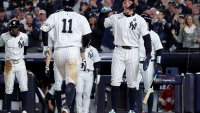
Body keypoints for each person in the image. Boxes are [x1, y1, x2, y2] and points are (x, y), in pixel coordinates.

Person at [40, 0, 92, 113]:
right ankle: (67, 107)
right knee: (71, 82)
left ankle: (64, 106)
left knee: (64, 81)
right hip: (73, 51)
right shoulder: (80, 17)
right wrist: (83, 49)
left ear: (62, 4)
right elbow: (87, 36)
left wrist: (45, 49)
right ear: (74, 4)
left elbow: (44, 30)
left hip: (58, 52)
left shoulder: (55, 16)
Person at [104, 0, 152, 113]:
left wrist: (148, 54)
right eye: (124, 2)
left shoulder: (140, 20)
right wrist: (102, 13)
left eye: (128, 2)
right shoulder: (116, 17)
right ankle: (113, 110)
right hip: (118, 50)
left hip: (133, 51)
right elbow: (103, 23)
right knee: (115, 81)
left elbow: (147, 38)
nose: (125, 4)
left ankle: (132, 109)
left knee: (132, 83)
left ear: (133, 6)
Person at [135, 13, 163, 113]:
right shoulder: (135, 34)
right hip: (135, 62)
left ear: (149, 23)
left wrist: (158, 65)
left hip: (149, 63)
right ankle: (138, 110)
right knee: (134, 86)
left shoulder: (153, 35)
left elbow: (159, 50)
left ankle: (150, 111)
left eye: (145, 22)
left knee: (148, 90)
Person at [0, 19, 29, 113]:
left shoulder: (24, 36)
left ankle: (24, 110)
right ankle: (8, 111)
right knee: (9, 88)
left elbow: (25, 49)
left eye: (15, 27)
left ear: (19, 27)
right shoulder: (4, 36)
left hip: (20, 62)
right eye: (12, 27)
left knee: (24, 86)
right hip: (9, 63)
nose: (13, 29)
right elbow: (0, 46)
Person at [76, 45, 100, 113]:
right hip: (79, 72)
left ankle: (85, 111)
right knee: (79, 92)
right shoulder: (77, 47)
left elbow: (97, 63)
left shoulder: (93, 49)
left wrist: (98, 75)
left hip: (89, 72)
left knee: (87, 93)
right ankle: (79, 111)